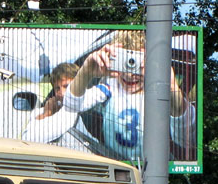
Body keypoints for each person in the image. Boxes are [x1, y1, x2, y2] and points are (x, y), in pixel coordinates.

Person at [61, 29, 194, 160]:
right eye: (124, 63)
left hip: (155, 172)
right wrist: (86, 72)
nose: (130, 74)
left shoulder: (160, 95)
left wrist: (171, 88)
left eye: (138, 63)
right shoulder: (109, 89)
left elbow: (186, 139)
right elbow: (71, 105)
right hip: (119, 168)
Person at [21, 62, 83, 148]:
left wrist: (46, 114)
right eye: (57, 88)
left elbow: (28, 140)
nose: (61, 93)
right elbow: (26, 138)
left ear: (79, 87)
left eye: (67, 86)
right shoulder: (48, 109)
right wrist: (46, 113)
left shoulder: (72, 111)